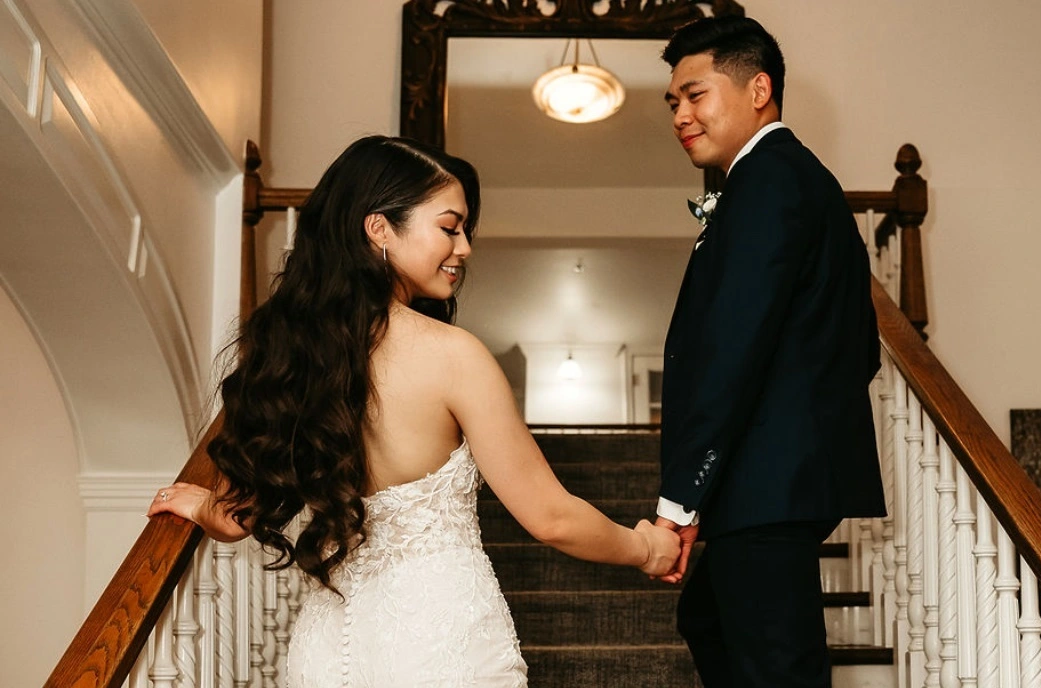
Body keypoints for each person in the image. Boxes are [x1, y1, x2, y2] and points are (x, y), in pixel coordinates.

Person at [147, 135, 681, 687]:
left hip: (328, 654)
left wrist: (204, 505)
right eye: (449, 227)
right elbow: (550, 517)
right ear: (378, 228)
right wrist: (646, 549)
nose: (465, 247)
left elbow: (240, 518)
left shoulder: (287, 360)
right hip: (441, 644)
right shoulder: (454, 356)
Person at [652, 17, 887, 687]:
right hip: (772, 476)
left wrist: (679, 501)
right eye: (673, 102)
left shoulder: (771, 180)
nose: (680, 115)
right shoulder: (784, 180)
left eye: (695, 94)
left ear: (759, 89)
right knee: (708, 620)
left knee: (778, 668)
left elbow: (733, 346)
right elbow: (856, 346)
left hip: (768, 480)